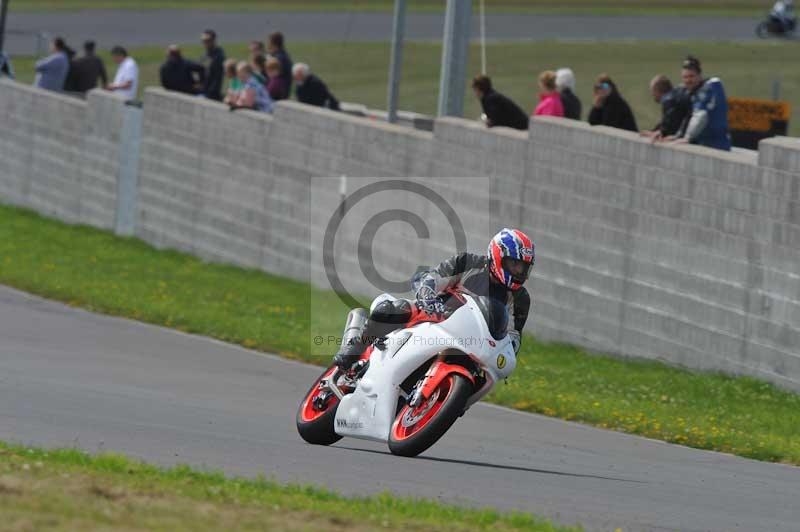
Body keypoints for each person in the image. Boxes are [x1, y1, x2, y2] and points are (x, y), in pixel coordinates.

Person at [333, 228, 534, 370]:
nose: (518, 271)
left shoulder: (521, 298)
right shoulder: (467, 262)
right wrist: (429, 296)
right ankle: (355, 349)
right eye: (514, 264)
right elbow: (433, 277)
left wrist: (506, 353)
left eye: (523, 267)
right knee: (392, 308)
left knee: (482, 376)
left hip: (473, 343)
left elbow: (513, 336)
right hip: (435, 316)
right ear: (498, 256)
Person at [672, 56, 731, 151]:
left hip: (714, 145)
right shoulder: (699, 91)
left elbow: (700, 115)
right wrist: (678, 135)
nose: (688, 80)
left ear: (699, 75)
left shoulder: (706, 89)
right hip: (710, 143)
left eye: (691, 76)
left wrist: (687, 138)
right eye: (685, 77)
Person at [640, 75, 690, 140]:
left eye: (652, 91)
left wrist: (659, 133)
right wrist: (653, 131)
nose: (652, 94)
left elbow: (668, 127)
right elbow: (666, 121)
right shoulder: (676, 94)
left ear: (657, 91)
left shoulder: (668, 100)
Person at [200, 29, 225, 101]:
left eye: (207, 40)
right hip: (204, 91)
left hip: (211, 95)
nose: (205, 43)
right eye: (203, 41)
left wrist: (209, 94)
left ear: (213, 40)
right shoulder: (204, 56)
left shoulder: (219, 56)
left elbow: (217, 78)